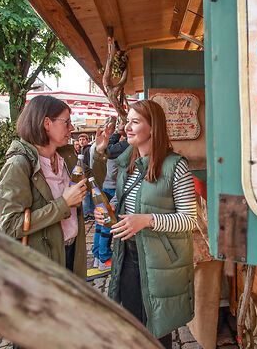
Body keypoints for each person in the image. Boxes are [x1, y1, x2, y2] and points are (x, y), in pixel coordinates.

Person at [94, 100, 197, 348]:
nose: (126, 127)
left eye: (135, 122)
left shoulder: (176, 165)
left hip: (159, 261)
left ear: (153, 128)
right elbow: (125, 200)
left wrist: (147, 220)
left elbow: (189, 219)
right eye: (127, 121)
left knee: (156, 332)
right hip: (128, 256)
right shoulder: (128, 163)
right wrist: (106, 210)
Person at [0, 95, 109, 278]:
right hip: (42, 264)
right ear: (46, 123)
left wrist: (100, 152)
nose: (71, 128)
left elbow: (94, 183)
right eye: (66, 122)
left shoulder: (67, 158)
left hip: (72, 252)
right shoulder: (19, 165)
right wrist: (63, 203)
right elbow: (9, 225)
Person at [91, 117, 121, 271]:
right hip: (109, 189)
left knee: (99, 223)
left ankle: (97, 255)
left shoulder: (97, 144)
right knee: (106, 225)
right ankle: (104, 256)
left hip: (100, 188)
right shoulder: (108, 147)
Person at [78, 133, 93, 219]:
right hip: (87, 175)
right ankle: (91, 213)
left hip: (86, 175)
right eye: (80, 140)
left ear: (87, 140)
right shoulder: (82, 149)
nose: (81, 141)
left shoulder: (87, 150)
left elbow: (87, 164)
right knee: (89, 194)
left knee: (86, 195)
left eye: (83, 139)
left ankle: (85, 215)